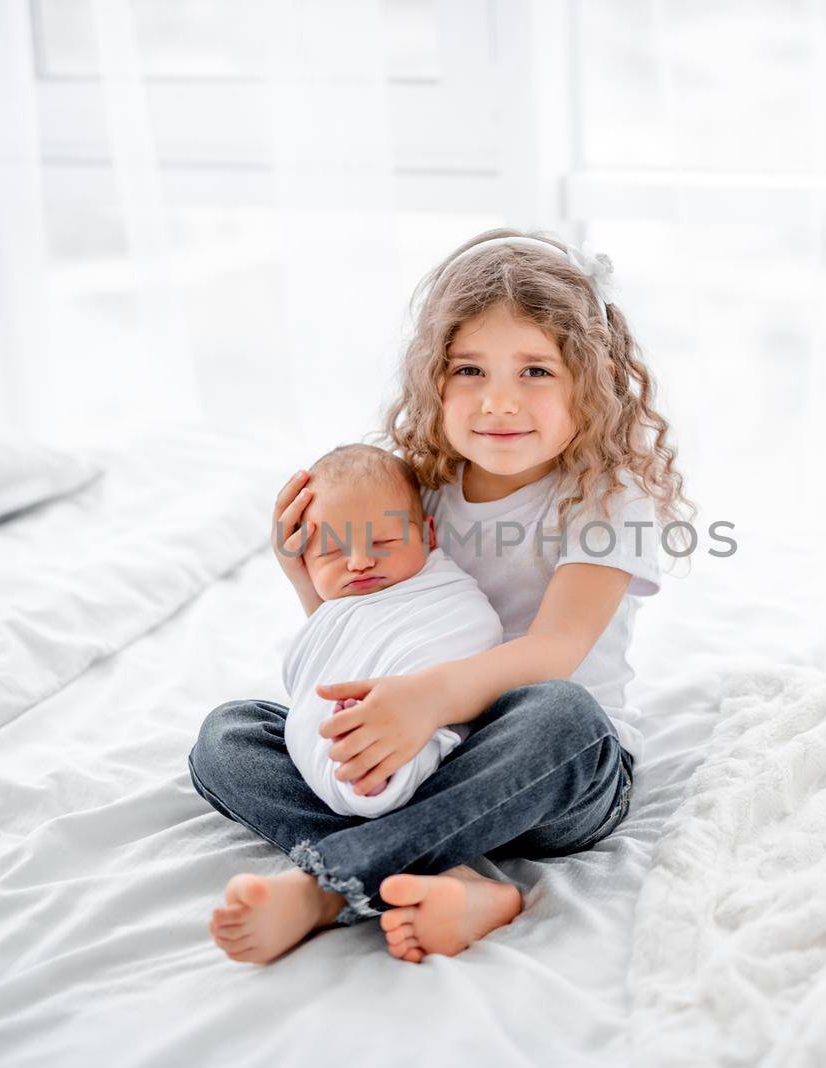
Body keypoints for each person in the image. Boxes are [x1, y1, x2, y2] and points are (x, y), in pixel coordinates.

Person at [188, 228, 692, 965]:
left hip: (543, 770)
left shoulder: (607, 500)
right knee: (230, 735)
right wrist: (310, 584)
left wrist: (427, 698)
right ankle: (458, 879)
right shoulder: (420, 490)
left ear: (592, 380)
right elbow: (376, 631)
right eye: (469, 369)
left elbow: (555, 651)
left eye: (535, 372)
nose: (498, 401)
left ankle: (331, 885)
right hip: (419, 759)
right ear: (434, 380)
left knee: (566, 716)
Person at [280, 442, 503, 818]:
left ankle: (373, 801)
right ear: (304, 558)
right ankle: (374, 800)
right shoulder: (336, 608)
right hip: (342, 748)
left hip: (448, 752)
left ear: (427, 536)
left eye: (382, 542)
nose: (361, 562)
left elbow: (474, 634)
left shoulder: (444, 596)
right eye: (332, 552)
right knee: (228, 733)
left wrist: (418, 706)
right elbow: (328, 661)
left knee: (554, 715)